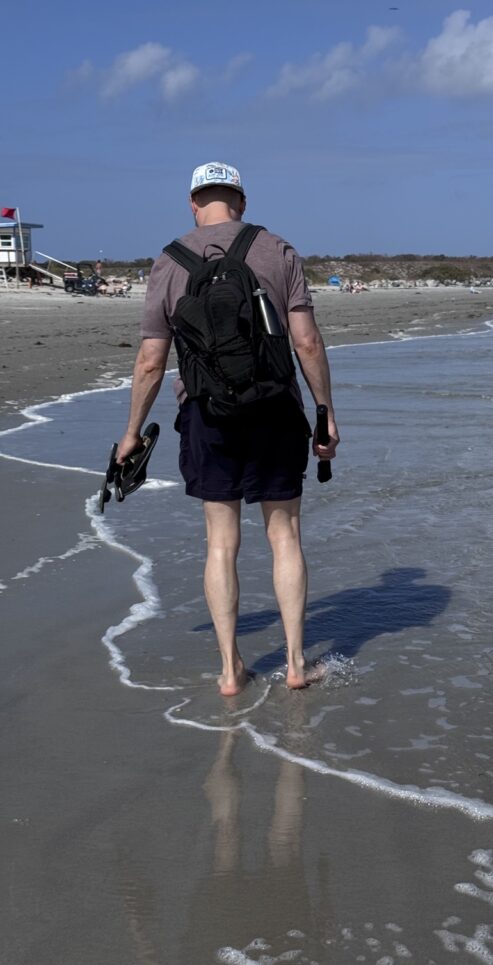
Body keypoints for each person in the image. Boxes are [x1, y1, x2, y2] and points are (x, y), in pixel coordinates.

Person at [116, 161, 339, 695]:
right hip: (275, 408)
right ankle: (295, 664)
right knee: (283, 536)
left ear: (193, 203)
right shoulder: (277, 249)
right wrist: (325, 410)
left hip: (206, 414)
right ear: (241, 201)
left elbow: (151, 359)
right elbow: (306, 342)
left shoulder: (169, 261)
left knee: (221, 544)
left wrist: (132, 431)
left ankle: (229, 670)